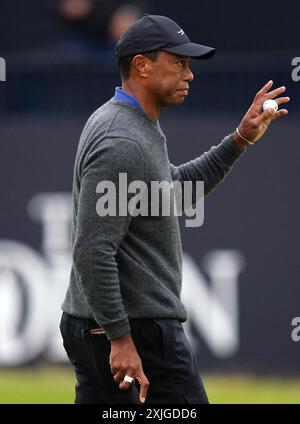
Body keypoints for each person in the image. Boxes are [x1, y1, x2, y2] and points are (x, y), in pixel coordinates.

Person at [60, 14, 289, 404]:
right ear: (142, 66)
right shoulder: (122, 138)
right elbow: (92, 249)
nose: (190, 75)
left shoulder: (132, 124)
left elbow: (173, 193)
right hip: (138, 333)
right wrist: (120, 338)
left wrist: (239, 140)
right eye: (179, 63)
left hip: (111, 327)